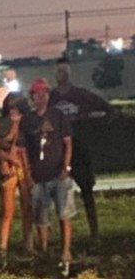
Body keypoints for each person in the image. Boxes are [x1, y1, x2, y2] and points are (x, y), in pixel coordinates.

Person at [49, 57, 113, 239]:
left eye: (66, 71)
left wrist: (92, 126)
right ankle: (64, 238)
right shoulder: (52, 99)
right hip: (59, 154)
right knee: (60, 197)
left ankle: (95, 233)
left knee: (87, 193)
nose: (63, 74)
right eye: (60, 71)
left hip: (81, 151)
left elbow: (108, 110)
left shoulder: (81, 95)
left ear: (70, 73)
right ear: (55, 73)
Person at [22, 78, 75, 275]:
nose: (41, 97)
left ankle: (66, 252)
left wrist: (66, 167)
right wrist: (28, 173)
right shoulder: (29, 120)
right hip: (38, 176)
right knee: (41, 217)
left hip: (58, 174)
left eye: (44, 93)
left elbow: (68, 142)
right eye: (38, 94)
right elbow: (25, 149)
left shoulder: (58, 116)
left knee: (64, 214)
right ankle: (44, 253)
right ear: (32, 97)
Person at [0, 92, 34, 260]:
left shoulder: (26, 124)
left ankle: (28, 245)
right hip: (9, 166)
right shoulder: (0, 124)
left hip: (23, 165)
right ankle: (3, 247)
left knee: (27, 208)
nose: (13, 112)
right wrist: (9, 156)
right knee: (8, 210)